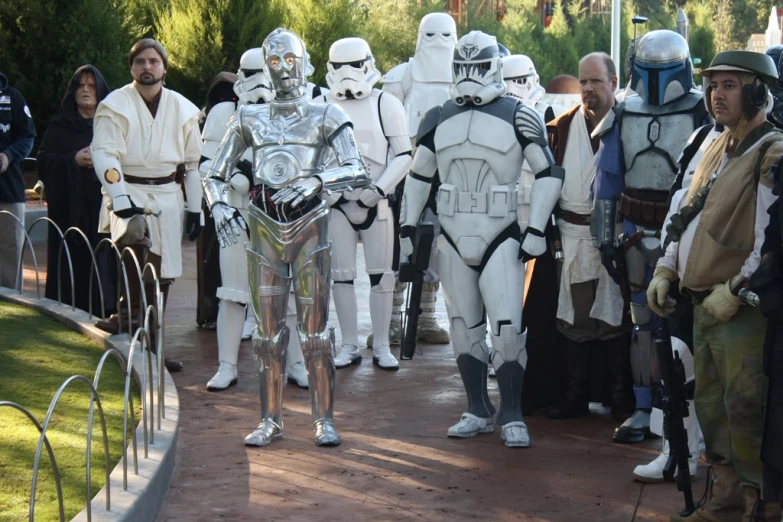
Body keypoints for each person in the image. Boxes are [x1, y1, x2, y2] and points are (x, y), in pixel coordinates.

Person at [204, 28, 369, 447]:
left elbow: (356, 167)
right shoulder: (247, 117)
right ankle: (270, 420)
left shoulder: (326, 114)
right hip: (263, 225)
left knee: (316, 334)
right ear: (265, 66)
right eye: (275, 61)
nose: (284, 69)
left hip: (311, 224)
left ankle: (324, 420)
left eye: (291, 60)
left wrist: (317, 179)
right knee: (266, 335)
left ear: (306, 63)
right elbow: (214, 172)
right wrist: (220, 205)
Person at [399, 30, 563, 447]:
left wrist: (537, 231)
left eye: (478, 67)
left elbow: (548, 174)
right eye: (463, 67)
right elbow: (418, 177)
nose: (470, 76)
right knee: (463, 327)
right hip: (453, 235)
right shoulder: (438, 116)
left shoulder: (519, 114)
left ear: (493, 67)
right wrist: (406, 230)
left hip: (501, 234)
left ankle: (511, 412)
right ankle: (476, 407)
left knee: (507, 329)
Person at [648, 51, 783, 521]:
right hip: (702, 303)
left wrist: (739, 286)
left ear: (758, 93)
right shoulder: (712, 143)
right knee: (710, 408)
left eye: (730, 85)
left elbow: (772, 239)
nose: (716, 94)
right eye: (713, 85)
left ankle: (758, 504)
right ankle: (725, 496)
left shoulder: (772, 151)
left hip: (740, 311)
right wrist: (667, 266)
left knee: (746, 410)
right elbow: (684, 214)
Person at [592, 29, 708, 444]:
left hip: (686, 232)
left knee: (684, 323)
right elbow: (607, 180)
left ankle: (677, 410)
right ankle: (645, 407)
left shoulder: (702, 111)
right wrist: (604, 237)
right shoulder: (624, 113)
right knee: (641, 322)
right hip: (633, 232)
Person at [92, 38, 204, 374]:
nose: (147, 67)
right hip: (128, 191)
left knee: (163, 276)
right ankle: (136, 341)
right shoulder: (115, 105)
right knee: (133, 267)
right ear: (131, 67)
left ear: (164, 67)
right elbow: (104, 153)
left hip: (169, 195)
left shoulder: (182, 107)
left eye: (154, 61)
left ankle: (149, 342)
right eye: (140, 61)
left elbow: (193, 163)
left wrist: (195, 209)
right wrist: (122, 201)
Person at [201, 52, 308, 391]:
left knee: (289, 296)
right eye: (252, 74)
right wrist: (231, 181)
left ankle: (297, 364)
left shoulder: (296, 112)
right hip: (237, 213)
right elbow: (205, 167)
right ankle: (227, 365)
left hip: (283, 213)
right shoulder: (224, 113)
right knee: (232, 293)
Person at [544, 53, 633, 421]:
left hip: (618, 235)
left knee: (616, 317)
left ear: (613, 83)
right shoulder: (561, 128)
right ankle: (575, 394)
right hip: (574, 233)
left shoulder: (629, 124)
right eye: (583, 81)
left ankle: (620, 395)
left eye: (595, 81)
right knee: (575, 316)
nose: (587, 88)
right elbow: (545, 184)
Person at [317, 37, 411, 371]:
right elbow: (312, 152)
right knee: (341, 277)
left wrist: (381, 189)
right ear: (329, 69)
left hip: (377, 201)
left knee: (381, 277)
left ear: (368, 65)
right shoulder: (321, 102)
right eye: (340, 67)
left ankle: (382, 345)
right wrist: (325, 189)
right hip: (337, 202)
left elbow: (403, 156)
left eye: (354, 65)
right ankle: (349, 343)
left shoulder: (386, 103)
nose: (347, 74)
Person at [378, 12, 456, 347]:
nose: (439, 43)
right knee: (397, 247)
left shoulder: (462, 76)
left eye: (445, 35)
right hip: (404, 174)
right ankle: (391, 320)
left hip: (448, 174)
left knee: (437, 249)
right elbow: (385, 124)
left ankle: (426, 315)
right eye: (432, 35)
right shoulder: (402, 76)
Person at [36, 65, 114, 314]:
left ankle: (107, 310)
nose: (86, 90)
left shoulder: (111, 124)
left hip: (104, 209)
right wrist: (73, 160)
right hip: (69, 211)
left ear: (100, 91)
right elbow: (43, 161)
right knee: (72, 267)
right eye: (81, 85)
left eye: (91, 85)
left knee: (104, 264)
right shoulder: (61, 126)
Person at [0, 72, 36, 289]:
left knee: (11, 250)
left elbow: (27, 136)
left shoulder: (12, 97)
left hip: (8, 192)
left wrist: (8, 155)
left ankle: (11, 300)